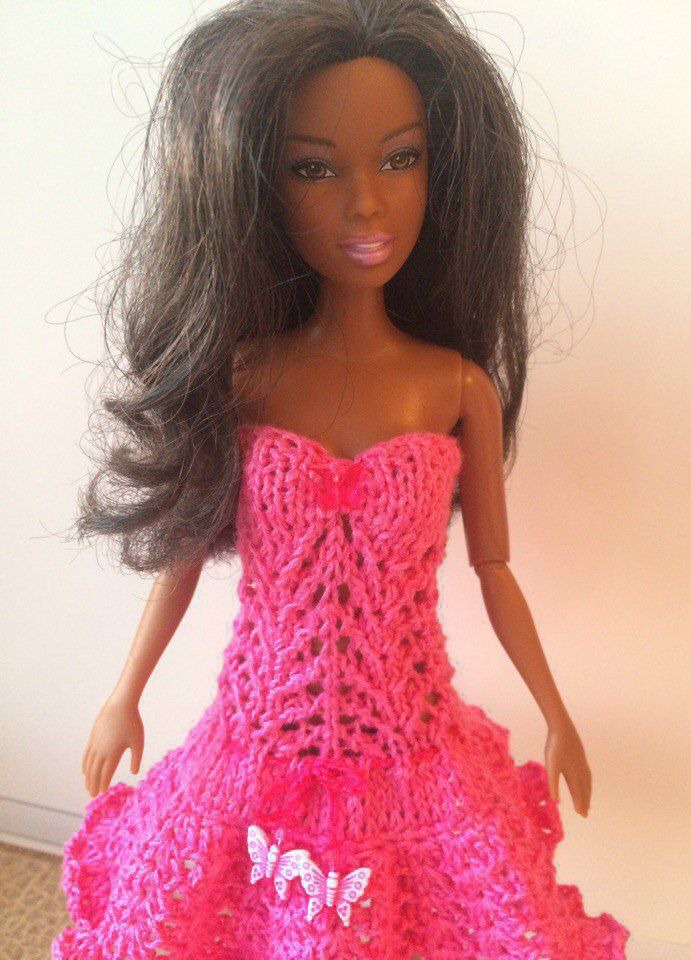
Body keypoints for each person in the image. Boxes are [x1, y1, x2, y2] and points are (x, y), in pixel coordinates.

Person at [53, 1, 631, 957]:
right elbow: (184, 553)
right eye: (313, 168)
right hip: (258, 740)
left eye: (399, 159)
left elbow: (493, 570)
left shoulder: (455, 387)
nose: (365, 203)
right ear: (254, 190)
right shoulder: (245, 378)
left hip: (414, 749)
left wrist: (555, 712)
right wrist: (126, 693)